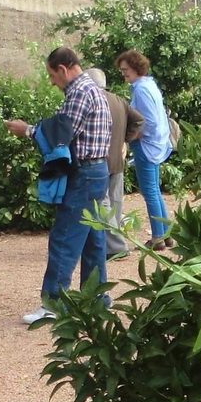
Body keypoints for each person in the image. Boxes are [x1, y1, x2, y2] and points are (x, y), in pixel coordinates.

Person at [5, 47, 112, 325]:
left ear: (63, 69)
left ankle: (53, 304)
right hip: (98, 171)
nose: (53, 82)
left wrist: (27, 129)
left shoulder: (79, 92)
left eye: (53, 75)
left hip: (84, 174)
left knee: (64, 239)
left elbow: (61, 133)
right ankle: (97, 300)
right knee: (92, 241)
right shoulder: (94, 90)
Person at [113, 50, 173, 249]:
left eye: (126, 69)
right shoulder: (149, 84)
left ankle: (157, 238)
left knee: (149, 192)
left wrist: (129, 137)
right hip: (156, 144)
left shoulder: (140, 89)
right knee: (154, 190)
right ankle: (167, 234)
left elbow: (149, 123)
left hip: (146, 146)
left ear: (136, 67)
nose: (123, 73)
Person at [84, 66, 144, 260]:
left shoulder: (93, 100)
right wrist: (125, 140)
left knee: (104, 203)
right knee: (115, 202)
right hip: (118, 158)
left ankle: (115, 246)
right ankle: (112, 243)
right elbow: (138, 120)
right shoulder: (119, 100)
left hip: (100, 160)